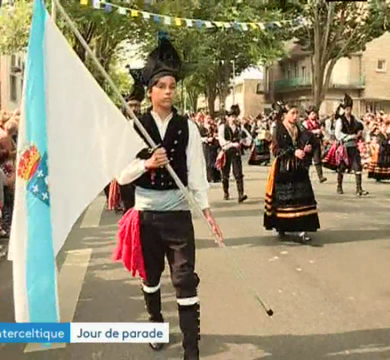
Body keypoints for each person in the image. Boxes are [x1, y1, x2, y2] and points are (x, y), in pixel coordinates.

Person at [114, 35, 224, 357]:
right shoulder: (136, 126)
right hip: (146, 217)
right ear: (150, 90)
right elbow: (121, 175)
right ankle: (156, 324)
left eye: (172, 86)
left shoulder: (187, 127)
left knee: (185, 280)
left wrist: (206, 212)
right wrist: (147, 163)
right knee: (151, 278)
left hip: (178, 216)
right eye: (161, 86)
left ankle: (191, 348)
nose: (168, 91)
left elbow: (196, 173)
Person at [264, 102, 320, 243]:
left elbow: (309, 141)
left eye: (297, 113)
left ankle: (303, 229)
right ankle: (282, 226)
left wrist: (307, 148)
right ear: (285, 114)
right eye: (292, 113)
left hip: (299, 167)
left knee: (303, 197)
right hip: (284, 167)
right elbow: (276, 150)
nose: (295, 117)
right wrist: (293, 151)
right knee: (284, 200)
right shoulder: (279, 128)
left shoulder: (300, 128)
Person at [334, 94, 368, 196]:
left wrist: (360, 134)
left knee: (358, 167)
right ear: (344, 109)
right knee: (341, 168)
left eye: (349, 109)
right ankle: (339, 186)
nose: (348, 111)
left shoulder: (355, 119)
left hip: (353, 147)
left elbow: (362, 128)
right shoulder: (340, 120)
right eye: (346, 109)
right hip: (344, 147)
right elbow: (337, 134)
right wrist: (350, 136)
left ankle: (359, 188)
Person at [218, 105, 250, 202]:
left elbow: (249, 138)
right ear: (227, 117)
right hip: (226, 152)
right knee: (225, 174)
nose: (233, 118)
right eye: (231, 116)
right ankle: (226, 192)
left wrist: (244, 142)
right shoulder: (223, 127)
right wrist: (232, 144)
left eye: (235, 116)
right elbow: (222, 141)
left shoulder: (240, 128)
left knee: (238, 173)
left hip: (236, 152)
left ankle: (241, 194)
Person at [302, 105, 327, 183]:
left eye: (315, 113)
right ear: (309, 115)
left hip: (316, 143)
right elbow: (304, 133)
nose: (314, 115)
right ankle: (304, 177)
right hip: (308, 144)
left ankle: (320, 176)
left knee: (317, 160)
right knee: (307, 161)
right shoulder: (305, 123)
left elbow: (322, 133)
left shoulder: (318, 123)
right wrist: (314, 132)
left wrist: (322, 134)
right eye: (312, 114)